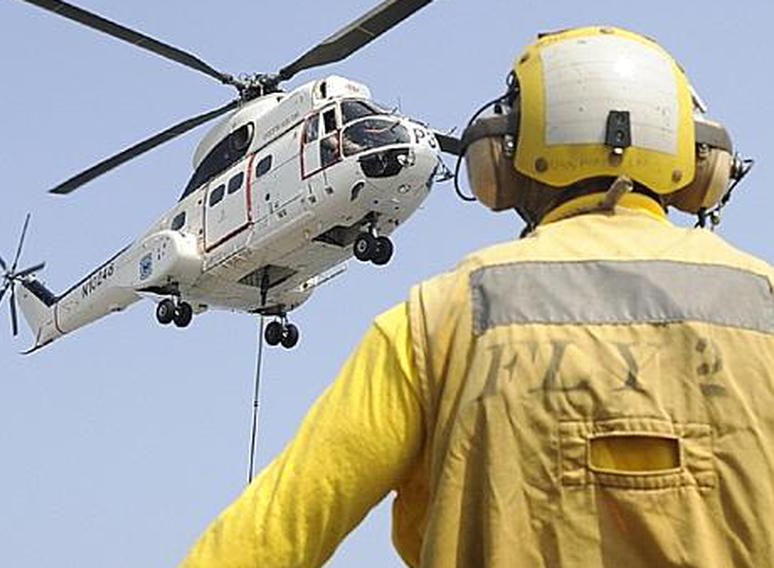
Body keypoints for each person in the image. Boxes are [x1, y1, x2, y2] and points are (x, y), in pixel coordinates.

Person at [181, 27, 773, 567]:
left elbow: (263, 539)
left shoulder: (433, 322)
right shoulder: (765, 305)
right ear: (702, 162)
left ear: (502, 158)